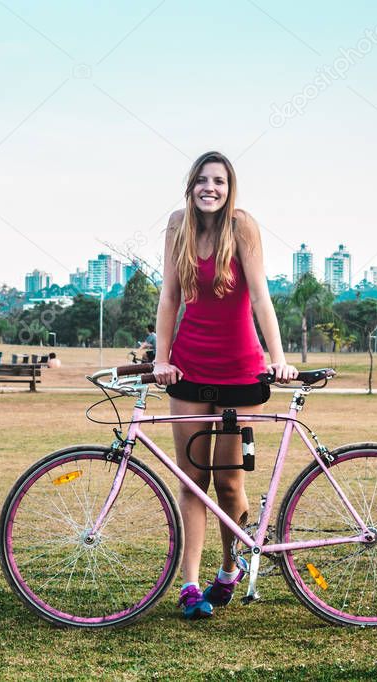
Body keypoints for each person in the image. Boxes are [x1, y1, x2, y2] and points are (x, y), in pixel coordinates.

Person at [152, 151, 298, 621]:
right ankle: (191, 585)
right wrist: (161, 358)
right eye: (201, 180)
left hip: (239, 370)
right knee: (192, 479)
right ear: (190, 185)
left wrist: (277, 359)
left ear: (229, 186)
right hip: (189, 369)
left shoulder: (243, 227)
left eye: (217, 180)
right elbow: (170, 297)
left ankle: (230, 568)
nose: (208, 187)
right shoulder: (178, 226)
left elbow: (260, 296)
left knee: (228, 484)